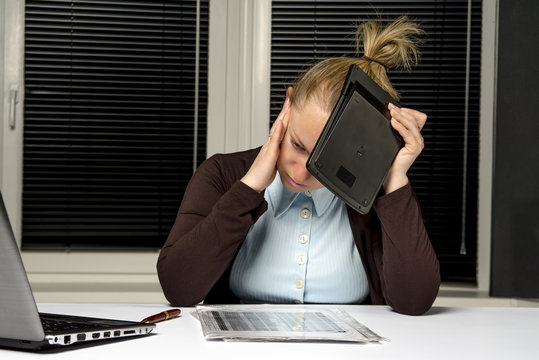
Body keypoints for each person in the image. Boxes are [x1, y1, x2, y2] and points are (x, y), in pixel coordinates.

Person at [157, 16, 440, 316]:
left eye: (322, 162)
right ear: (287, 107)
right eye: (297, 145)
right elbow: (178, 287)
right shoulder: (221, 174)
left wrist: (395, 177)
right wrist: (249, 186)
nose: (301, 172)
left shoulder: (374, 198)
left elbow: (414, 302)